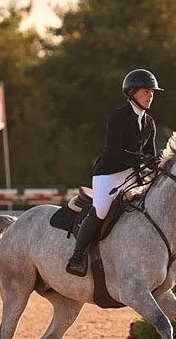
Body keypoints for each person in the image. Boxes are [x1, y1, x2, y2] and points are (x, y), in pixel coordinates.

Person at [66, 69, 163, 276]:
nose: (150, 96)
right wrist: (141, 160)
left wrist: (159, 164)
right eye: (146, 91)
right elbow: (113, 152)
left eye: (152, 92)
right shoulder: (119, 117)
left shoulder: (149, 123)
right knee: (101, 209)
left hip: (131, 176)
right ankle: (77, 255)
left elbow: (149, 156)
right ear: (133, 92)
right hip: (108, 174)